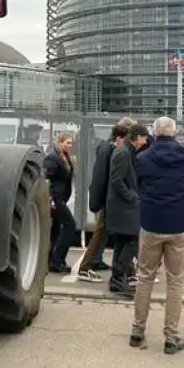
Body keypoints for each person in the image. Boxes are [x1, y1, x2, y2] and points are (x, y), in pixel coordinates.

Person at [130, 117, 184, 354]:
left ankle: (138, 331)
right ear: (175, 133)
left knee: (145, 277)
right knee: (175, 281)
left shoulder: (143, 157)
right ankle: (171, 336)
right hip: (178, 224)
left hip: (151, 222)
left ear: (154, 133)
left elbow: (139, 185)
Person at [78, 119, 135, 282]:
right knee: (104, 234)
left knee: (113, 234)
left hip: (109, 199)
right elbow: (103, 177)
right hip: (110, 200)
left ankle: (128, 270)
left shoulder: (108, 148)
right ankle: (85, 267)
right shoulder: (110, 150)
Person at [106, 123, 149, 297]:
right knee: (131, 241)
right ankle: (118, 277)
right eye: (144, 138)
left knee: (123, 243)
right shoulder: (123, 152)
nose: (145, 142)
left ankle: (117, 279)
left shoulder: (126, 151)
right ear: (137, 137)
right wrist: (132, 197)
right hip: (123, 206)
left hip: (124, 206)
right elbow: (116, 180)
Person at [44, 131, 76, 273]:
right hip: (56, 199)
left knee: (55, 230)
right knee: (70, 225)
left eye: (71, 143)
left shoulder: (65, 158)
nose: (70, 145)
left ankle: (51, 259)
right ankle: (57, 259)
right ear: (60, 142)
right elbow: (45, 177)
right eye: (68, 142)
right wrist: (50, 198)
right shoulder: (53, 158)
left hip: (60, 198)